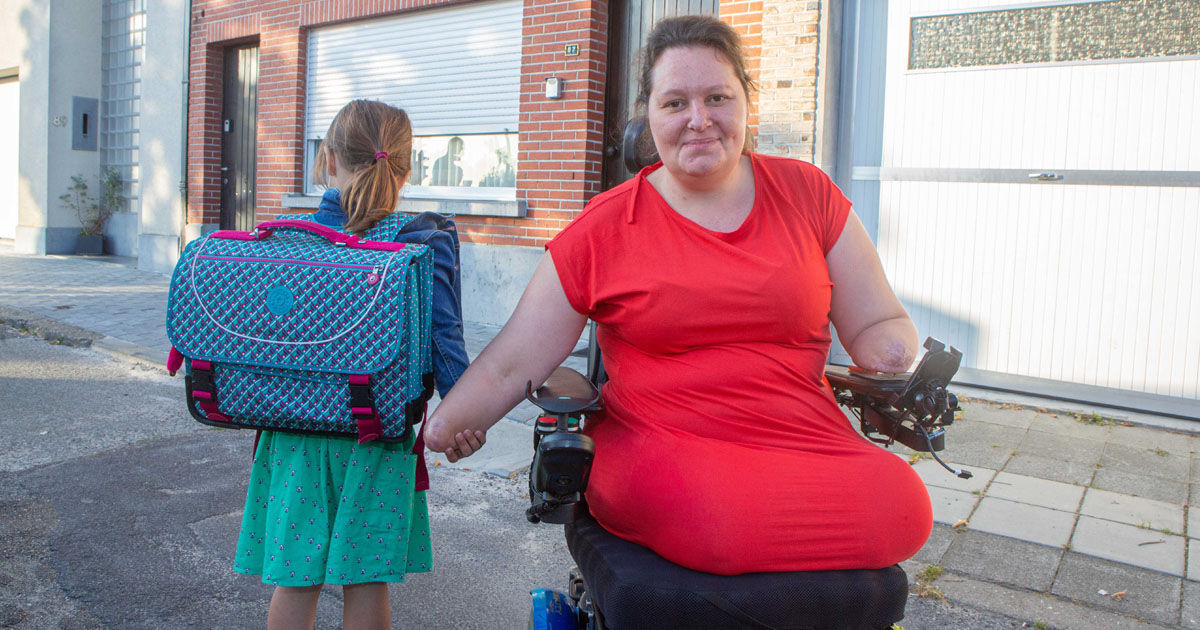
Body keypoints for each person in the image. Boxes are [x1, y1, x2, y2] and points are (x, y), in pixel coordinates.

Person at [424, 15, 932, 576]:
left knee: (902, 505)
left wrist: (891, 353)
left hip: (801, 433)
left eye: (717, 97)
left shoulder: (808, 194)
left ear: (745, 102)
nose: (699, 120)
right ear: (648, 114)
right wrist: (448, 425)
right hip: (664, 440)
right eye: (675, 103)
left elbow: (878, 320)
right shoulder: (605, 226)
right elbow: (513, 361)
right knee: (721, 516)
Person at [233, 99, 469, 629]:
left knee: (296, 579)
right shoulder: (419, 242)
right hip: (376, 436)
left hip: (292, 431)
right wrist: (463, 419)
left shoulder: (286, 240)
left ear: (328, 159)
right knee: (365, 579)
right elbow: (446, 345)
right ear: (405, 169)